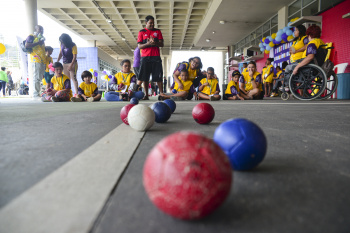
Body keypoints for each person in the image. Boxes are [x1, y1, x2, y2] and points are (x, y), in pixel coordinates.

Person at [137, 15, 164, 100]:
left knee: (158, 77)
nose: (152, 25)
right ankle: (146, 95)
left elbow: (162, 44)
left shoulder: (158, 31)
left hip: (156, 57)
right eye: (150, 23)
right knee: (145, 77)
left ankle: (161, 94)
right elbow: (139, 46)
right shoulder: (141, 32)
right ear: (146, 23)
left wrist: (155, 42)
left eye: (153, 23)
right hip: (145, 58)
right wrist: (148, 44)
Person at [25, 25, 46, 98]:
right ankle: (35, 93)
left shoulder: (41, 39)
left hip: (42, 60)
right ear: (35, 29)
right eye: (39, 29)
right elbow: (27, 45)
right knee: (36, 77)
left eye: (42, 29)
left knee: (40, 77)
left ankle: (38, 92)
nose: (41, 31)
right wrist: (38, 43)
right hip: (36, 59)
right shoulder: (31, 36)